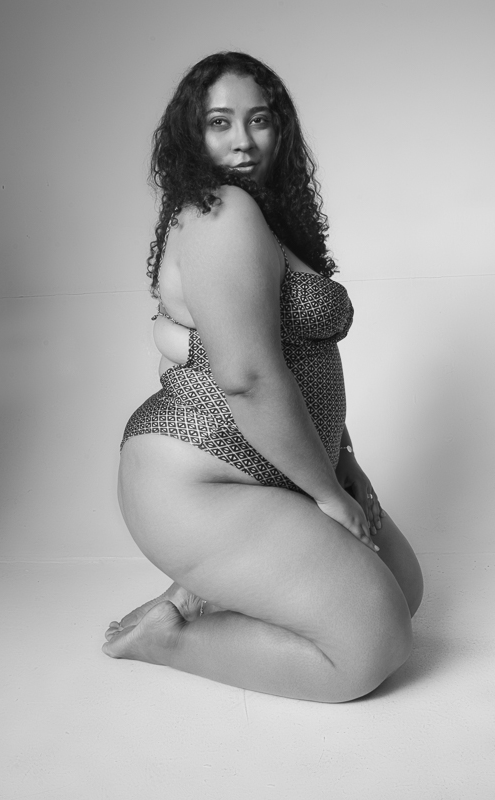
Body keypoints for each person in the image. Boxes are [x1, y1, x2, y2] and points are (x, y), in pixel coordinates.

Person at [103, 52, 423, 702]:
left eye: (259, 119)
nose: (243, 141)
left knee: (403, 589)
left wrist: (343, 462)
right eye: (220, 122)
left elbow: (298, 361)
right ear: (191, 134)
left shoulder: (263, 216)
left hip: (280, 464)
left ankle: (203, 590)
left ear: (281, 129)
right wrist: (326, 496)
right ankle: (167, 637)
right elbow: (247, 376)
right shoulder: (221, 212)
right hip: (201, 481)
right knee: (373, 645)